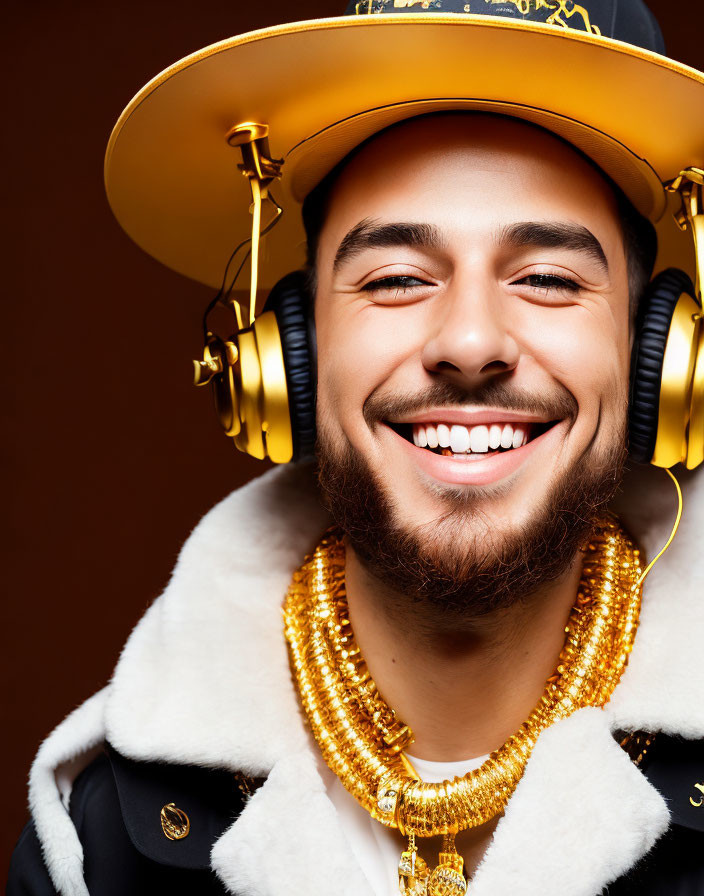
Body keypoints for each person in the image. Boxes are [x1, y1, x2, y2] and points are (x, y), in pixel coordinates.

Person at [8, 2, 704, 894]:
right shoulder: (93, 834)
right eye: (397, 279)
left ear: (660, 363)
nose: (469, 341)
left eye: (547, 278)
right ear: (289, 362)